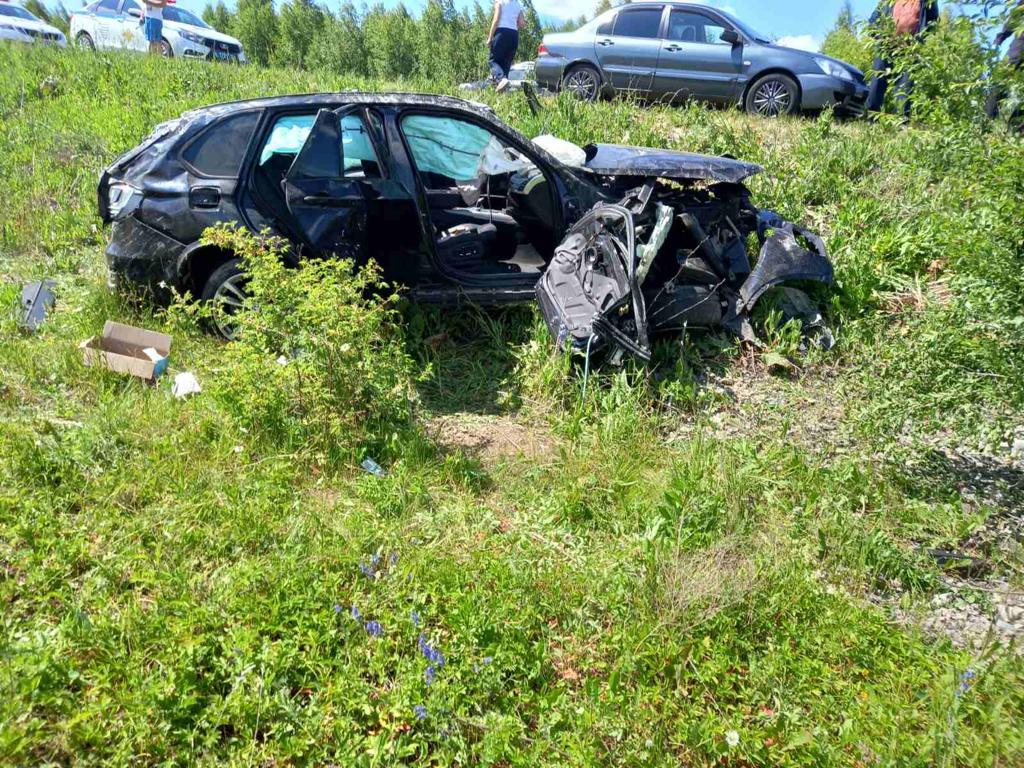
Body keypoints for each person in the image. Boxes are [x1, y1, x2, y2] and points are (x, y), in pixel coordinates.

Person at [866, 0, 940, 117]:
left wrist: (920, 39)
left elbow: (933, 20)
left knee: (905, 87)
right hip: (886, 47)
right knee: (877, 81)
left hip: (909, 50)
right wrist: (880, 37)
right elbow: (872, 21)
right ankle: (871, 117)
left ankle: (901, 123)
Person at [985, 0, 1023, 119]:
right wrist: (1002, 35)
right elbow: (1017, 14)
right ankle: (985, 122)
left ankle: (1016, 128)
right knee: (1001, 80)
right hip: (1020, 47)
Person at [486, 0, 525, 93]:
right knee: (506, 65)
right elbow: (522, 23)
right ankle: (503, 91)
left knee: (493, 61)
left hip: (501, 34)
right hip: (514, 36)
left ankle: (501, 79)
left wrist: (490, 37)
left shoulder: (500, 2)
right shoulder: (517, 5)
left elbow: (496, 20)